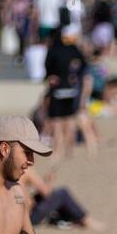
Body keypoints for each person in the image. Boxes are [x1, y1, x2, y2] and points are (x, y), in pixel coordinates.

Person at [44, 26, 89, 158]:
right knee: (69, 118)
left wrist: (50, 76)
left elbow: (47, 67)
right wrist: (75, 75)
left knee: (57, 121)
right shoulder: (71, 48)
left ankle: (58, 149)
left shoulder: (53, 50)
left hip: (57, 88)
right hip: (70, 87)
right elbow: (84, 64)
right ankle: (70, 149)